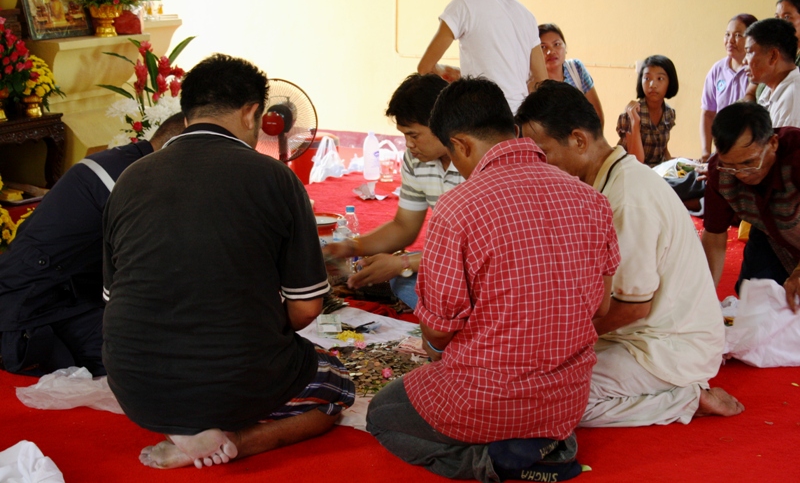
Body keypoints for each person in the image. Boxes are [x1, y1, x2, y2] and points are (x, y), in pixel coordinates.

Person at [102, 54, 354, 470]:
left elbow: (114, 298)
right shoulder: (274, 177)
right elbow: (306, 308)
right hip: (235, 375)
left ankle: (182, 425)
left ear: (187, 112)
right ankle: (238, 440)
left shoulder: (130, 178)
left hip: (134, 383)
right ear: (252, 112)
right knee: (337, 386)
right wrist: (259, 325)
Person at [367, 77, 621, 483]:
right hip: (566, 402)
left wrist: (434, 354)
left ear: (463, 145)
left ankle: (495, 464)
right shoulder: (591, 199)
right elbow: (601, 308)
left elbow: (438, 328)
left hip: (484, 400)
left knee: (383, 414)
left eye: (453, 154)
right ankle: (547, 448)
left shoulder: (458, 207)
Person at [517, 81, 744, 427]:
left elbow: (633, 306)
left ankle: (683, 398)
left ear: (578, 140)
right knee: (524, 374)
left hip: (667, 347)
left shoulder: (628, 195)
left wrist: (562, 340)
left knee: (548, 401)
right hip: (636, 335)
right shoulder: (605, 181)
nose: (538, 166)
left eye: (543, 153)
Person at [0, 114, 185, 377]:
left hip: (67, 293)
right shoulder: (126, 181)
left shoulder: (121, 161)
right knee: (161, 354)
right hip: (31, 313)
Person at [324, 74, 463, 309]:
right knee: (404, 283)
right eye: (404, 135)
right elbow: (404, 226)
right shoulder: (415, 159)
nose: (408, 144)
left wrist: (403, 262)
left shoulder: (476, 160)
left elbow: (475, 250)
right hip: (448, 263)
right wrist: (350, 247)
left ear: (443, 123)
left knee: (410, 279)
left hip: (480, 265)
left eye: (413, 135)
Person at [417, 0, 546, 112]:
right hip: (517, 120)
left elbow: (424, 68)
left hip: (479, 117)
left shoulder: (462, 5)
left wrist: (446, 72)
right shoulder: (527, 15)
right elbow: (542, 81)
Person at [702, 101, 800, 312]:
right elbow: (714, 236)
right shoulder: (720, 173)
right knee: (754, 300)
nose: (741, 174)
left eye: (749, 163)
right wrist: (705, 292)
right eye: (730, 165)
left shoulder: (796, 155)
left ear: (773, 143)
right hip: (772, 238)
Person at [699, 14, 758, 162]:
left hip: (749, 151)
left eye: (738, 35)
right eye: (727, 34)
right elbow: (708, 114)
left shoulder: (756, 72)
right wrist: (706, 152)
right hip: (722, 151)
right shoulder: (717, 69)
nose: (730, 41)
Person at [616, 55, 679, 167]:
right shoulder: (630, 114)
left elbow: (663, 149)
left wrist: (674, 165)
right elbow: (636, 161)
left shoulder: (669, 113)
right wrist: (635, 122)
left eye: (660, 79)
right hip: (630, 171)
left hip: (657, 171)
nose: (652, 85)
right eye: (647, 78)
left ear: (670, 82)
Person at [538, 23, 605, 127]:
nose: (550, 51)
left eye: (557, 44)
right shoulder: (532, 81)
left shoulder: (576, 69)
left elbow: (597, 116)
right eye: (543, 47)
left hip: (583, 139)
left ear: (565, 48)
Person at [744, 18, 800, 129]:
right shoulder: (769, 89)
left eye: (749, 52)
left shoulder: (792, 100)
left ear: (773, 56)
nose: (744, 61)